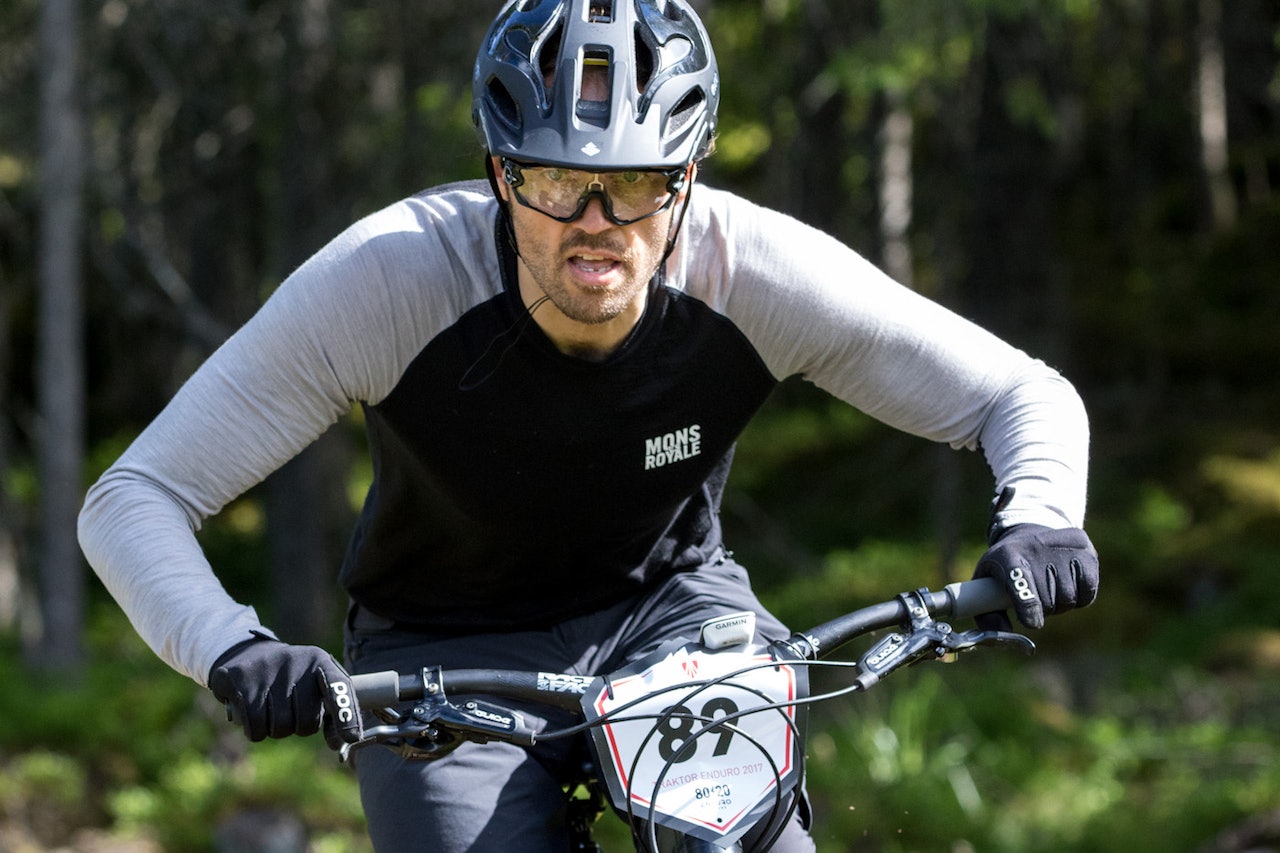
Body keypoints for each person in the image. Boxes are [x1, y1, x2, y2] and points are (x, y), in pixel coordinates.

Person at [78, 1, 1100, 850]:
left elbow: (1022, 395)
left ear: (687, 180)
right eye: (558, 183)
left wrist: (1041, 518)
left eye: (639, 184)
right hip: (441, 644)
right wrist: (235, 650)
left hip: (670, 616)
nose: (596, 225)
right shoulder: (388, 281)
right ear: (498, 174)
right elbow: (133, 498)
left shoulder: (752, 273)